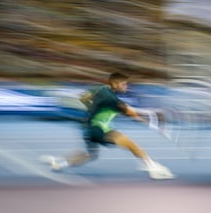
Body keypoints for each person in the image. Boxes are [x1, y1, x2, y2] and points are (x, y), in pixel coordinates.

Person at [41, 72, 174, 180]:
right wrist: (155, 124)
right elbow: (133, 115)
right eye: (124, 84)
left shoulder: (101, 89)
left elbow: (83, 98)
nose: (126, 87)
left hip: (87, 126)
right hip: (98, 128)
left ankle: (59, 162)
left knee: (90, 155)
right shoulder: (113, 100)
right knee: (131, 144)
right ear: (115, 84)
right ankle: (152, 167)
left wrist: (92, 108)